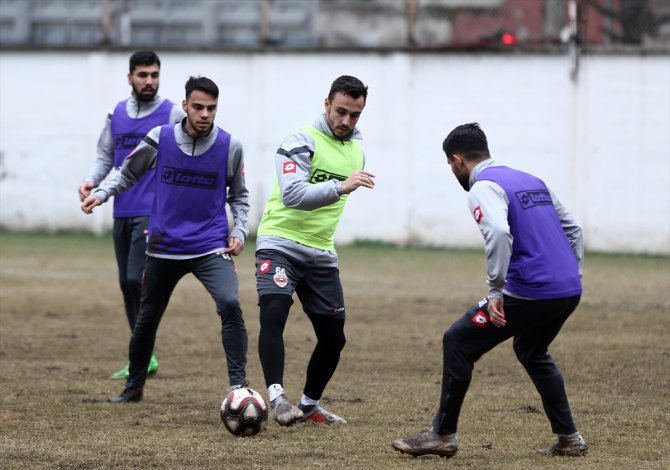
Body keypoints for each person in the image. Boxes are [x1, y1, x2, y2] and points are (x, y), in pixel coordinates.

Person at [392, 123, 588, 458]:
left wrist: (495, 291)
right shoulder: (531, 180)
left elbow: (498, 231)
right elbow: (574, 228)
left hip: (530, 291)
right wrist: (573, 272)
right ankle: (569, 438)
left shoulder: (483, 186)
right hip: (568, 289)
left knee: (458, 341)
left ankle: (442, 434)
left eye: (451, 166)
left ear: (457, 161)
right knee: (532, 349)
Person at [81, 76, 250, 403]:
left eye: (211, 108)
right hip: (164, 247)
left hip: (210, 246)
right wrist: (101, 193)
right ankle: (133, 388)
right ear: (184, 106)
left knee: (230, 303)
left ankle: (239, 389)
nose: (204, 114)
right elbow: (127, 171)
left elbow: (240, 197)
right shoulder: (161, 138)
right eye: (198, 107)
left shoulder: (231, 146)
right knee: (146, 319)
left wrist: (239, 230)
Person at [255, 75, 375, 426]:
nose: (346, 121)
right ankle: (277, 399)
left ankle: (308, 405)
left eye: (355, 115)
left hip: (321, 253)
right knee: (274, 312)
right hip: (279, 244)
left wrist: (341, 186)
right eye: (341, 111)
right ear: (326, 104)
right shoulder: (300, 140)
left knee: (334, 337)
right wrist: (341, 186)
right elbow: (292, 195)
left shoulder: (356, 149)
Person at [78, 50, 185, 380]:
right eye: (143, 75)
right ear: (130, 78)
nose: (149, 81)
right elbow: (106, 156)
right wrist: (92, 180)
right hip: (121, 209)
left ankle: (142, 355)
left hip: (152, 214)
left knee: (132, 280)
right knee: (126, 285)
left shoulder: (172, 114)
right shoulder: (117, 114)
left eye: (154, 75)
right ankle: (145, 356)